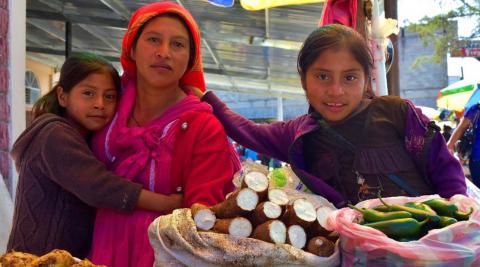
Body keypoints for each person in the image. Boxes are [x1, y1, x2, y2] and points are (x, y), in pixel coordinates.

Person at [195, 24, 466, 207]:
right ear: (304, 80)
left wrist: (458, 208)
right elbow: (247, 131)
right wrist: (204, 97)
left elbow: (444, 167)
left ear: (366, 79)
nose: (335, 91)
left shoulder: (397, 112)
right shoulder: (299, 133)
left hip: (425, 247)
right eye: (322, 76)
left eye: (349, 77)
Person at [88, 2, 240, 267]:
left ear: (191, 59)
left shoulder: (204, 128)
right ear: (132, 48)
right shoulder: (105, 106)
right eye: (153, 40)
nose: (164, 53)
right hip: (97, 251)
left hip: (166, 258)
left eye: (178, 45)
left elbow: (203, 223)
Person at [7, 53, 182, 258]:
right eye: (88, 93)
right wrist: (168, 204)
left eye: (110, 96)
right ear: (63, 96)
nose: (100, 104)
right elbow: (99, 186)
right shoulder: (54, 135)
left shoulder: (88, 139)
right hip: (37, 260)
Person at [447, 104, 480, 187]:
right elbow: (461, 127)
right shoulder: (476, 108)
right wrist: (448, 146)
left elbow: (462, 127)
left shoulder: (476, 108)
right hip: (476, 158)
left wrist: (448, 146)